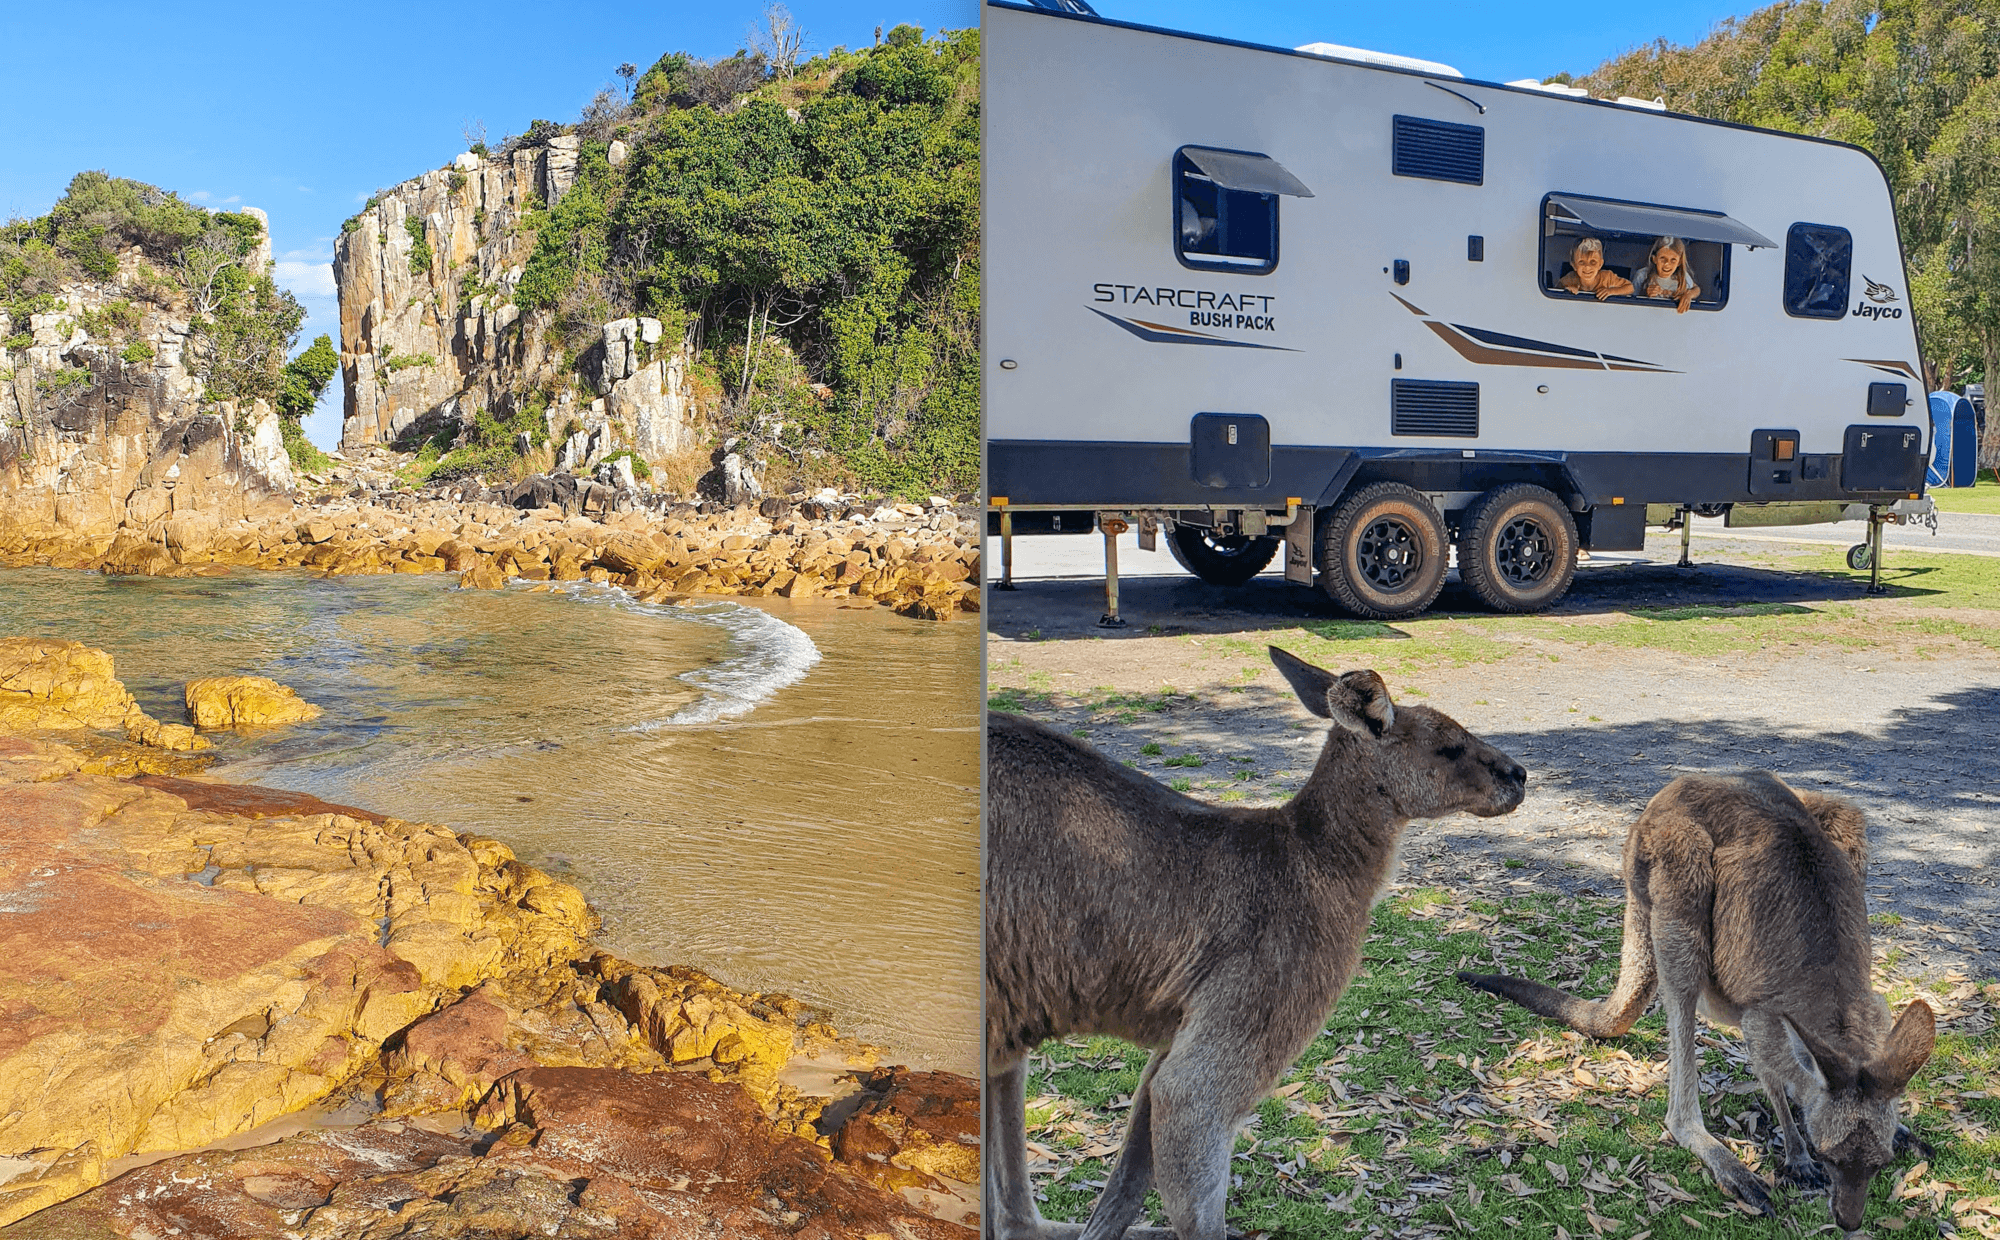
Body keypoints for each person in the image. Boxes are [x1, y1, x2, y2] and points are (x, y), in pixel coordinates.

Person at [1634, 236, 1701, 313]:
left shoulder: (1682, 276)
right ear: (1654, 259)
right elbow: (1631, 299)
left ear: (1679, 262)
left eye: (1673, 260)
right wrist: (1645, 293)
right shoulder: (1642, 275)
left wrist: (1688, 295)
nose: (1667, 264)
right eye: (1662, 258)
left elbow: (1696, 289)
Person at [1559, 237, 1633, 301]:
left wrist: (1611, 291)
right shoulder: (1570, 278)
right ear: (1574, 265)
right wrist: (1568, 289)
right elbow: (1557, 288)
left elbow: (1630, 288)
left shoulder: (1607, 277)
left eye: (1593, 262)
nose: (1587, 267)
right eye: (1581, 262)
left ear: (1600, 264)